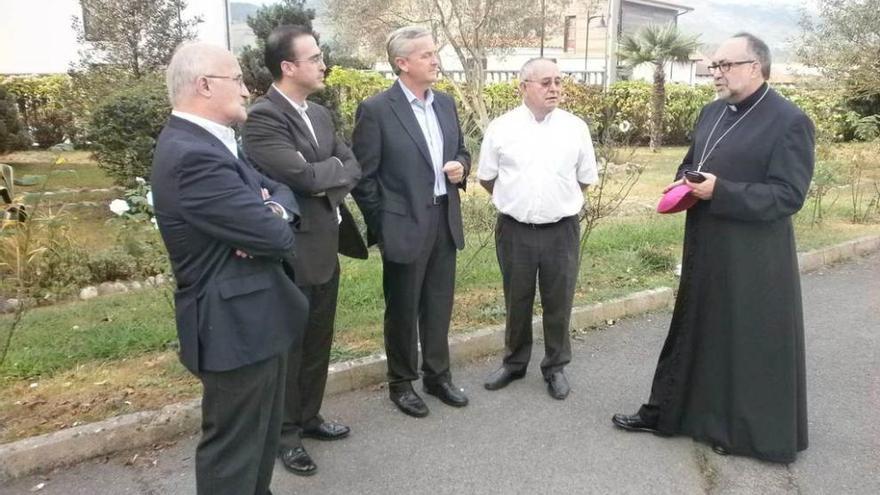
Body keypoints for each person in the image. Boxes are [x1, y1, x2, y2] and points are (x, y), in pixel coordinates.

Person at [612, 33, 814, 463]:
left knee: (740, 342)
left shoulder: (789, 121)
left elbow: (787, 196)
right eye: (714, 66)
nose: (715, 73)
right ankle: (667, 413)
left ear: (754, 67)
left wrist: (722, 192)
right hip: (705, 244)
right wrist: (685, 180)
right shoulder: (711, 112)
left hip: (753, 257)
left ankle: (739, 432)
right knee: (694, 329)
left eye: (724, 65)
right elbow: (691, 162)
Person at [151, 42, 308, 494]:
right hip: (233, 329)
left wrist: (268, 212)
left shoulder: (210, 143)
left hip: (254, 320)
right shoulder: (193, 155)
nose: (246, 88)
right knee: (234, 455)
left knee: (257, 443)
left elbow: (279, 193)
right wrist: (269, 220)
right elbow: (278, 237)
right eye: (237, 79)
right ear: (204, 85)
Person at [242, 25, 367, 476]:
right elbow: (305, 179)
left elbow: (351, 166)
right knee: (289, 347)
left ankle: (309, 417)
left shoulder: (319, 114)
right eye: (313, 57)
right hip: (291, 253)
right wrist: (327, 171)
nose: (323, 63)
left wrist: (325, 171)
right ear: (288, 67)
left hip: (326, 247)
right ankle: (285, 434)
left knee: (318, 340)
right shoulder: (263, 117)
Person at [351, 25, 471, 418]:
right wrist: (383, 225)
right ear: (402, 63)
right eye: (426, 55)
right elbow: (363, 177)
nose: (435, 60)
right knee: (402, 309)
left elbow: (461, 150)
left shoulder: (445, 104)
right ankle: (401, 383)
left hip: (444, 218)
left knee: (438, 304)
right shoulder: (377, 110)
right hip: (402, 225)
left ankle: (438, 376)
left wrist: (462, 168)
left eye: (435, 53)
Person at [477, 58, 598, 400]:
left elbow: (584, 179)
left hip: (561, 230)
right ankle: (514, 363)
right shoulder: (502, 128)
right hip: (515, 230)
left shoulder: (575, 128)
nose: (555, 88)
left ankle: (555, 366)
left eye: (558, 81)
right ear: (523, 87)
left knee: (558, 301)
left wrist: (554, 204)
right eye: (545, 82)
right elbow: (487, 178)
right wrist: (519, 202)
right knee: (517, 299)